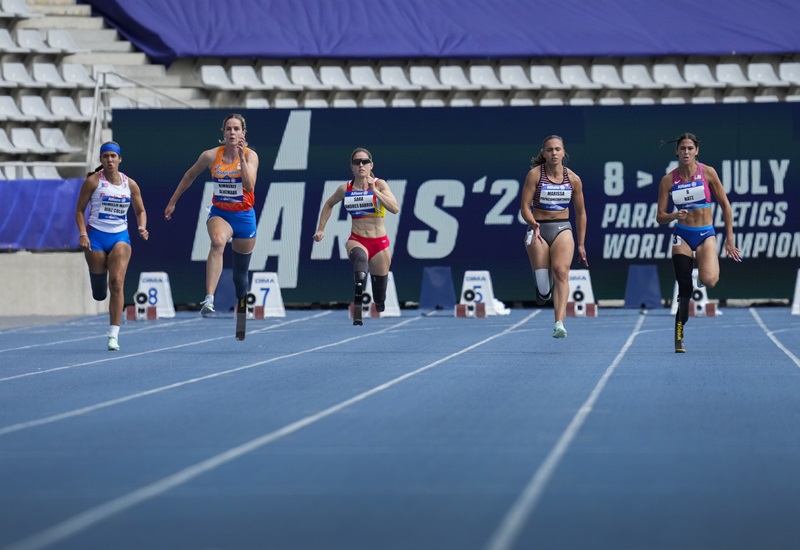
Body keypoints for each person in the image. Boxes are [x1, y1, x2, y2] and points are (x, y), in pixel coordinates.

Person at [164, 113, 259, 319]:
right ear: (223, 133)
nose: (232, 132)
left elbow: (249, 185)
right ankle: (209, 297)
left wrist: (241, 157)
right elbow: (189, 175)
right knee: (217, 242)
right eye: (228, 129)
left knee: (240, 273)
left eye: (236, 129)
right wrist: (173, 202)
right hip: (221, 213)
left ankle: (242, 303)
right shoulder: (210, 155)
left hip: (244, 216)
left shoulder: (251, 156)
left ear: (243, 133)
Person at [656, 132, 741, 353]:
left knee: (710, 280)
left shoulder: (708, 173)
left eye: (690, 148)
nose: (686, 152)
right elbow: (660, 216)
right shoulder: (668, 179)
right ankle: (679, 332)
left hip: (705, 234)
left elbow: (725, 205)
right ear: (677, 151)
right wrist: (674, 216)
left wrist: (729, 239)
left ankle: (703, 272)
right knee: (684, 287)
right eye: (682, 148)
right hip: (682, 235)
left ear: (697, 151)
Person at [75, 141, 148, 351]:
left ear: (119, 159)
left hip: (120, 238)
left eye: (113, 156)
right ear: (101, 159)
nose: (109, 160)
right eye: (105, 156)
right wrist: (82, 234)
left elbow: (140, 210)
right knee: (100, 293)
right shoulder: (92, 182)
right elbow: (79, 211)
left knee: (116, 283)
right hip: (95, 237)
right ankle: (96, 279)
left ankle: (113, 334)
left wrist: (142, 227)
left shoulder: (130, 184)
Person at [313, 148, 399, 325]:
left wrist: (376, 192)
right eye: (357, 162)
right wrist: (321, 229)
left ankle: (378, 300)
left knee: (380, 296)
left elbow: (394, 208)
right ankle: (358, 301)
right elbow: (328, 204)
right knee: (360, 263)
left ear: (371, 165)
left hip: (379, 243)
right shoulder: (346, 188)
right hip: (357, 239)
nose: (361, 165)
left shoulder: (380, 184)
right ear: (351, 167)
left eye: (365, 162)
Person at [520, 135, 588, 339]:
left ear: (564, 152)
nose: (554, 153)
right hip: (539, 227)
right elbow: (524, 207)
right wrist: (532, 222)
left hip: (562, 228)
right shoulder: (534, 175)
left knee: (561, 271)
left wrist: (582, 244)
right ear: (543, 153)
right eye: (549, 150)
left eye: (557, 149)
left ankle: (559, 323)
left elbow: (581, 213)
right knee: (543, 290)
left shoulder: (573, 179)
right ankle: (543, 290)